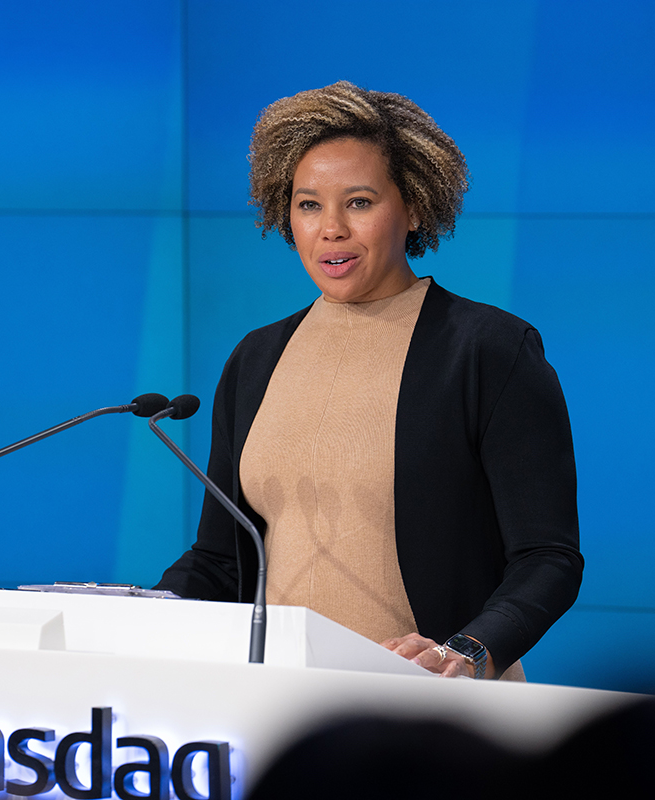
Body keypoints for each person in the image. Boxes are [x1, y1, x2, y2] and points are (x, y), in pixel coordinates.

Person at [155, 81, 582, 679]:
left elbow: (548, 558)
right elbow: (220, 559)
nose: (330, 229)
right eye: (308, 205)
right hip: (273, 703)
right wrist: (142, 615)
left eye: (358, 202)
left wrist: (469, 649)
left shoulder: (487, 349)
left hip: (432, 706)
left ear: (412, 207)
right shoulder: (256, 358)